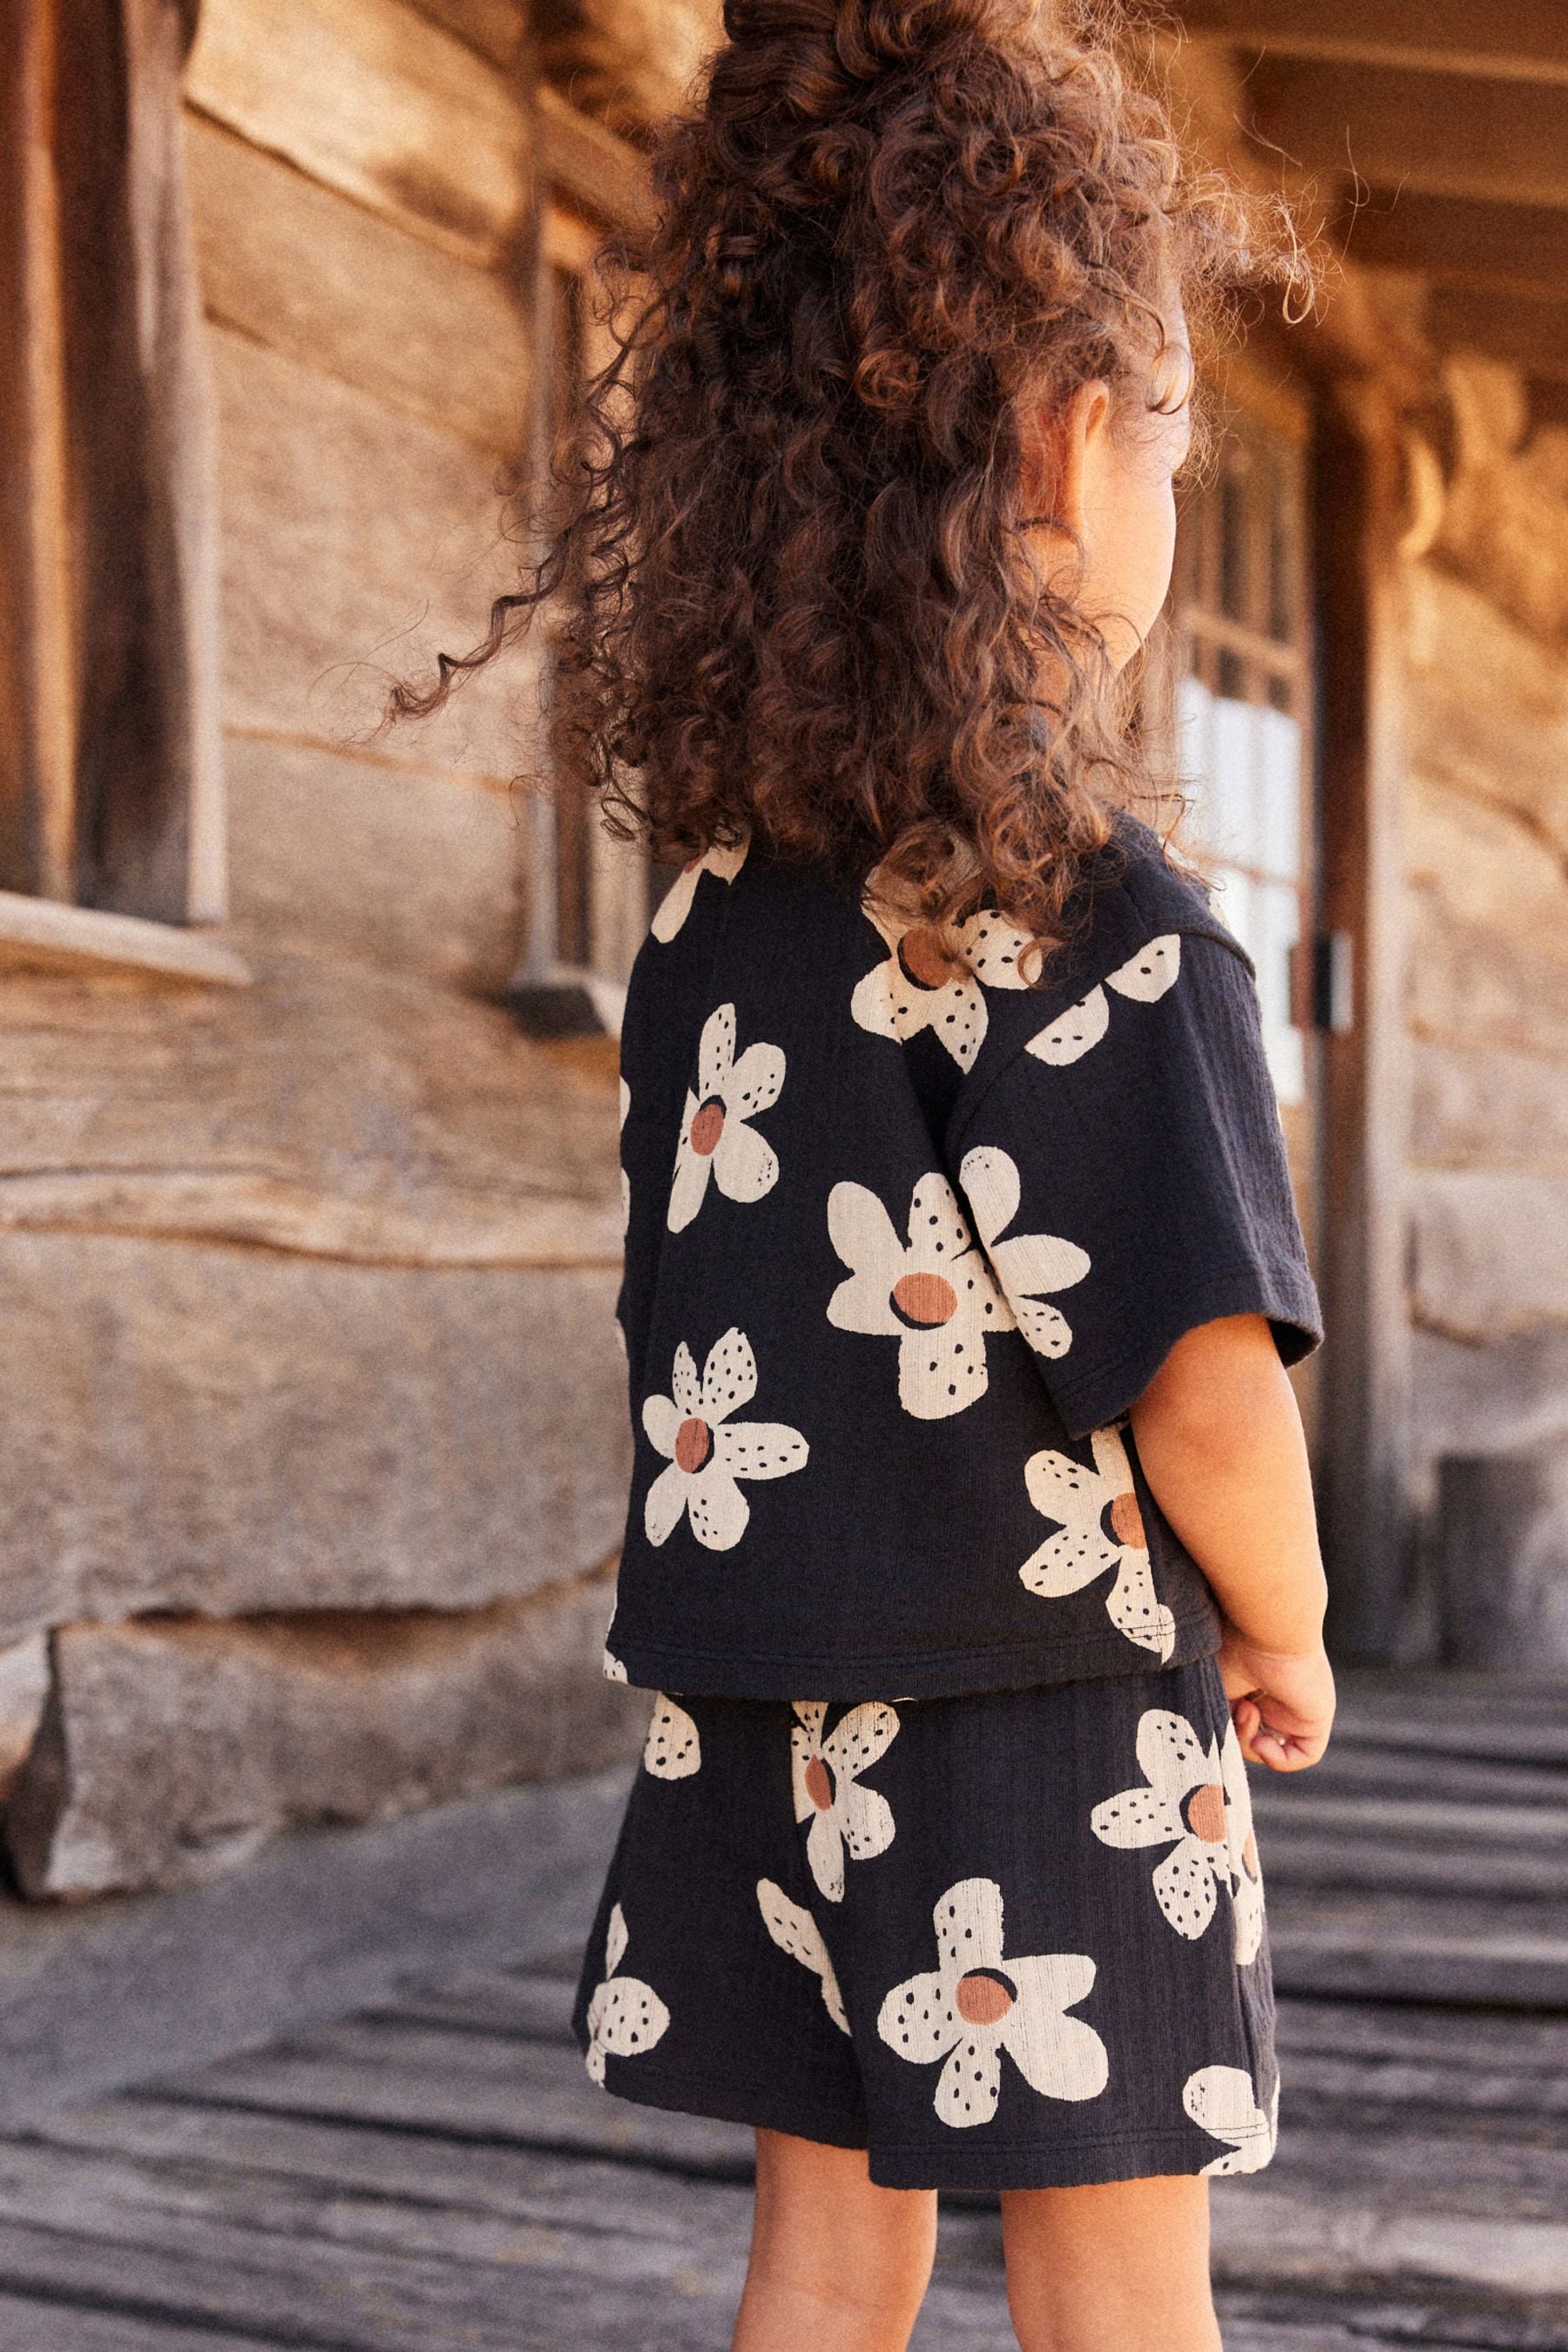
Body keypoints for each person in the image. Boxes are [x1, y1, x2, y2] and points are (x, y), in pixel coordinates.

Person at [403, 3, 1333, 2342]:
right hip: (1037, 1698)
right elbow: (1204, 1368)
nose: (1169, 513)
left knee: (823, 2244)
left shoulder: (726, 912)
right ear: (1066, 440)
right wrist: (1293, 1617)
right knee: (1115, 2263)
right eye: (1174, 459)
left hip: (764, 1704)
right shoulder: (1099, 914)